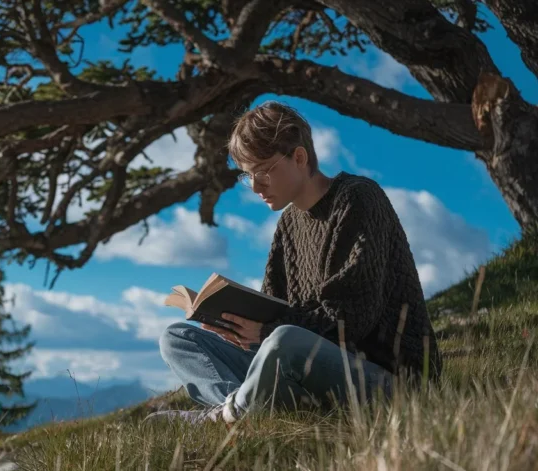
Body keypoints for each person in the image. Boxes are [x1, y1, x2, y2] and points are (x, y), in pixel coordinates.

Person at [144, 101, 442, 426]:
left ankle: (228, 415)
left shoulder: (358, 200)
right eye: (247, 176)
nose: (256, 187)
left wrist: (268, 332)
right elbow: (273, 307)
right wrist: (239, 328)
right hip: (310, 373)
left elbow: (349, 321)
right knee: (177, 339)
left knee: (284, 339)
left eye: (263, 172)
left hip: (389, 381)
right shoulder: (288, 224)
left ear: (299, 158)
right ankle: (242, 411)